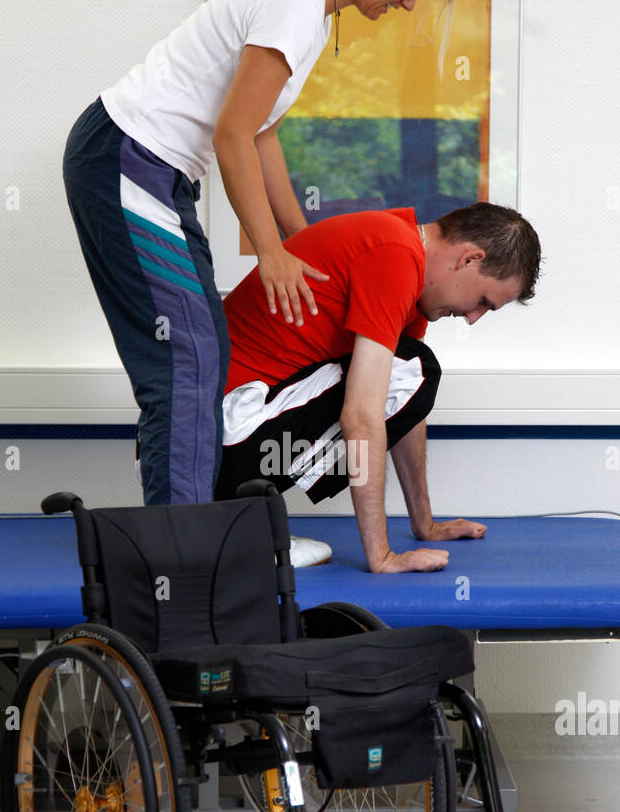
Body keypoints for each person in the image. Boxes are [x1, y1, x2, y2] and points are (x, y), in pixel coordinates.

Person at [61, 0, 458, 506]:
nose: (409, 3)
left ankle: (196, 538)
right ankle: (183, 554)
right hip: (127, 155)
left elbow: (263, 135)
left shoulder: (305, 2)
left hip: (153, 168)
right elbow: (233, 135)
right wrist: (269, 252)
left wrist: (302, 240)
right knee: (185, 359)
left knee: (202, 347)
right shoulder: (295, 7)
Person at [217, 202, 542, 572]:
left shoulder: (405, 255)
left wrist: (426, 525)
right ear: (469, 259)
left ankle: (235, 521)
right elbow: (362, 413)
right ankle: (229, 520)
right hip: (224, 443)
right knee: (416, 369)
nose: (471, 318)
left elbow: (403, 403)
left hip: (239, 438)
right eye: (483, 302)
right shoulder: (393, 254)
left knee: (411, 367)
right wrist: (382, 557)